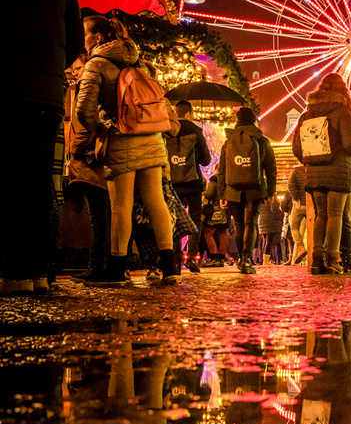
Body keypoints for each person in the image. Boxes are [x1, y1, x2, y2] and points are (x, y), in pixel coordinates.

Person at [0, 0, 84, 294]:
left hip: (7, 88)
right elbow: (75, 43)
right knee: (36, 180)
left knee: (7, 179)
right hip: (46, 96)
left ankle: (14, 269)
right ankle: (38, 268)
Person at [76, 15, 179, 286]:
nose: (82, 38)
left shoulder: (96, 65)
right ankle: (170, 266)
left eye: (85, 33)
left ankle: (117, 267)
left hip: (121, 137)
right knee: (156, 201)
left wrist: (98, 129)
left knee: (121, 206)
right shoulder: (141, 63)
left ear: (98, 37)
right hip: (152, 136)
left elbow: (83, 109)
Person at [292, 72, 351, 275]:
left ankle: (316, 260)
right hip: (338, 170)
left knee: (321, 215)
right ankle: (333, 258)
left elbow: (296, 147)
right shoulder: (342, 111)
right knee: (336, 215)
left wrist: (310, 160)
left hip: (315, 172)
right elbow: (350, 145)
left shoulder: (307, 114)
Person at [64, 52, 111, 281]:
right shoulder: (82, 89)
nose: (75, 73)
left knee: (98, 216)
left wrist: (74, 151)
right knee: (100, 215)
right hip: (88, 160)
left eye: (79, 68)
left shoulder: (88, 91)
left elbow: (85, 126)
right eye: (73, 69)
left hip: (89, 160)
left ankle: (97, 266)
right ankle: (100, 264)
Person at [218, 107, 276, 274]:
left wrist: (222, 193)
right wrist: (271, 190)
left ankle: (240, 259)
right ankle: (246, 258)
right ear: (253, 120)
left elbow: (222, 170)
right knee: (251, 223)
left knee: (238, 225)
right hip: (255, 189)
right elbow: (271, 168)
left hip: (233, 189)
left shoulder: (229, 141)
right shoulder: (261, 140)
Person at [165, 100, 211, 273]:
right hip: (193, 182)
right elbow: (206, 160)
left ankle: (175, 260)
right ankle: (191, 256)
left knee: (173, 219)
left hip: (173, 181)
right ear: (188, 113)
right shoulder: (195, 131)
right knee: (195, 217)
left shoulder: (167, 129)